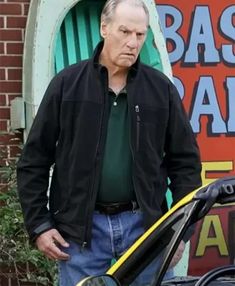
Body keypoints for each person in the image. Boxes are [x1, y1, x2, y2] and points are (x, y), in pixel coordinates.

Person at [17, 0, 202, 285]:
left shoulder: (160, 89)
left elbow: (186, 163)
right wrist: (40, 225)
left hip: (146, 227)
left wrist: (180, 229)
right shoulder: (67, 84)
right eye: (125, 32)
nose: (132, 42)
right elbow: (34, 160)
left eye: (140, 35)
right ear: (104, 28)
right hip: (80, 230)